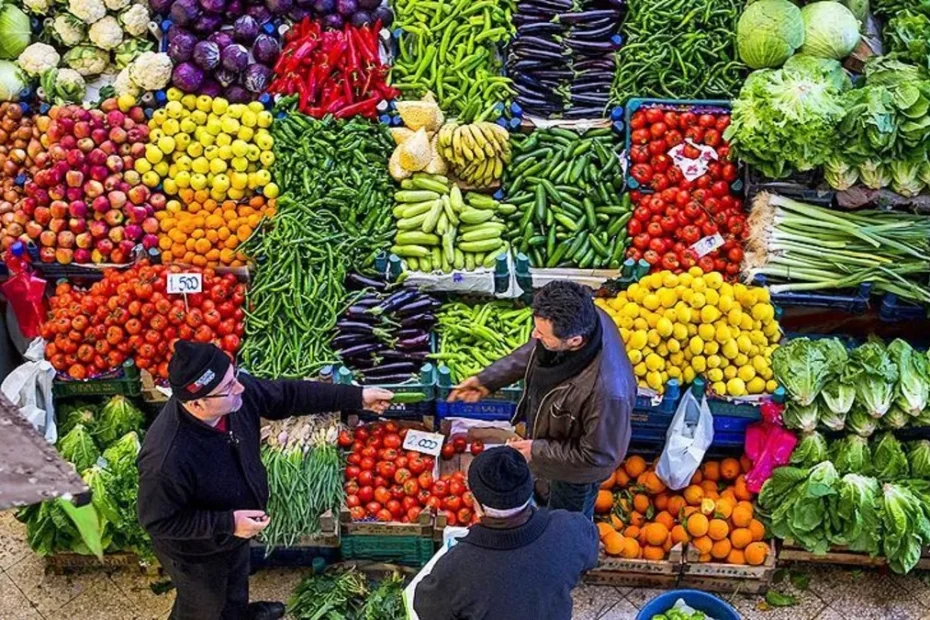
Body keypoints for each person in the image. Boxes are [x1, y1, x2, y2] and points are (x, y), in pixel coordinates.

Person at [137, 341, 393, 620]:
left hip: (234, 532)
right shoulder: (166, 458)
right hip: (196, 552)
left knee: (235, 583)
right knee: (203, 605)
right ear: (197, 403)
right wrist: (228, 523)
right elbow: (157, 521)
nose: (240, 388)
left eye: (234, 376)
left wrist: (356, 396)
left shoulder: (232, 398)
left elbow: (287, 395)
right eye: (228, 387)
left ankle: (240, 614)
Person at [449, 280, 636, 517]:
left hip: (575, 476)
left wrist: (536, 451)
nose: (533, 335)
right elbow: (537, 350)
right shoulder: (584, 317)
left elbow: (598, 458)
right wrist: (489, 379)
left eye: (542, 333)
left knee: (565, 521)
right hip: (553, 443)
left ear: (575, 341)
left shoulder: (608, 394)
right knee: (544, 494)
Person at [413, 447, 599, 620]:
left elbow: (426, 608)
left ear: (476, 502)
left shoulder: (456, 568)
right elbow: (590, 556)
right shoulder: (572, 529)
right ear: (528, 490)